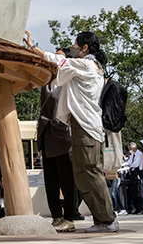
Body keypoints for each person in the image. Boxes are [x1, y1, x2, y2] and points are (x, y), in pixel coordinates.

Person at [26, 30, 118, 233]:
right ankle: (103, 219)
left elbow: (58, 61)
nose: (74, 48)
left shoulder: (86, 64)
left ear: (84, 48)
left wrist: (34, 48)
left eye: (76, 45)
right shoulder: (88, 67)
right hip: (81, 125)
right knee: (83, 173)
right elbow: (59, 74)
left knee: (90, 173)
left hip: (86, 127)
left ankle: (108, 219)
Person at [37, 80, 78, 231]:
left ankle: (69, 217)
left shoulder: (69, 83)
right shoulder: (45, 83)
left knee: (67, 180)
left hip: (63, 135)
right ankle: (56, 216)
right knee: (51, 180)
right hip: (47, 133)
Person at [125, 141, 143, 214]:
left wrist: (130, 164)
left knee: (140, 192)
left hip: (138, 174)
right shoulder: (133, 155)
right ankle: (138, 208)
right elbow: (129, 162)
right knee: (134, 192)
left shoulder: (139, 154)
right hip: (133, 173)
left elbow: (135, 164)